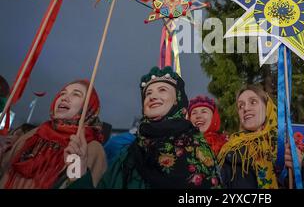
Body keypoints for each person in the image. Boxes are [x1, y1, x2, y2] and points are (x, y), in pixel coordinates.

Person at [69, 66, 222, 189]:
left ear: (177, 100)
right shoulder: (128, 153)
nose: (152, 96)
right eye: (148, 93)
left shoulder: (195, 146)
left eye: (162, 90)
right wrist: (77, 168)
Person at [218, 85, 304, 189]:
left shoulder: (293, 147)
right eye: (240, 106)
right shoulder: (230, 152)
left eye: (253, 102)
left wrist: (299, 171)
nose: (245, 108)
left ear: (267, 107)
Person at [0, 79, 106, 189]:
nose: (64, 98)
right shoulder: (36, 133)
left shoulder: (91, 148)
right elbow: (5, 167)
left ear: (89, 106)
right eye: (62, 93)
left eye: (76, 94)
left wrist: (76, 176)